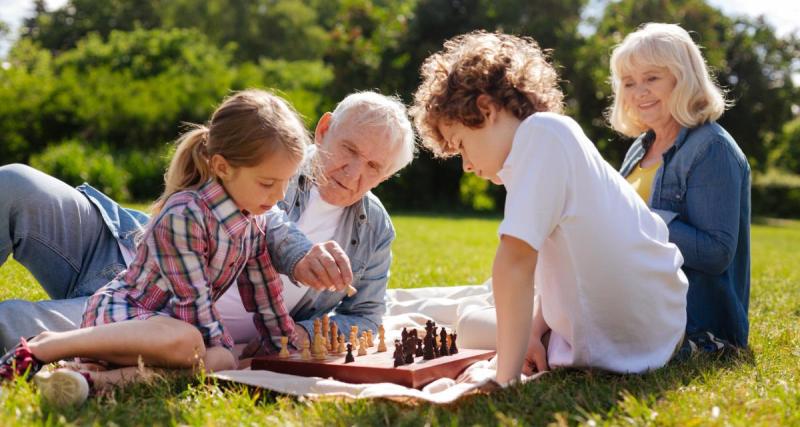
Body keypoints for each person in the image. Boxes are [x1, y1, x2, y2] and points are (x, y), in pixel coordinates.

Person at [0, 91, 415, 355]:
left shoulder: (373, 229)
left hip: (158, 316)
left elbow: (365, 316)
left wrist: (294, 337)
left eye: (374, 167)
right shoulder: (276, 158)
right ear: (324, 130)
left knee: (13, 327)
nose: (353, 172)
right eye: (348, 149)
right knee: (14, 182)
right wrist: (301, 254)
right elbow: (265, 220)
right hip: (122, 247)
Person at [410, 31, 688, 386]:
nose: (465, 164)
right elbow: (560, 269)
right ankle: (531, 332)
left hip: (622, 340)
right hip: (654, 332)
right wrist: (531, 331)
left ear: (486, 108)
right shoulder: (551, 140)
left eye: (461, 145)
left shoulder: (540, 136)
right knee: (486, 319)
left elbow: (514, 264)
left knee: (469, 325)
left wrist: (504, 378)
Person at [0, 89, 310, 404]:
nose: (280, 195)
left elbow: (265, 292)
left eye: (286, 182)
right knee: (201, 346)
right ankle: (45, 346)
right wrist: (223, 347)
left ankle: (91, 381)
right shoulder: (185, 214)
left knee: (219, 360)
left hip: (170, 331)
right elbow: (193, 303)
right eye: (269, 183)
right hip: (126, 315)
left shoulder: (254, 220)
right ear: (222, 167)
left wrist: (284, 344)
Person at [611, 23, 751, 349]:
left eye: (652, 78)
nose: (639, 91)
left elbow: (716, 253)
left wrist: (636, 217)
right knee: (489, 313)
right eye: (629, 82)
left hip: (694, 327)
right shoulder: (640, 147)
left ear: (682, 77)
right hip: (633, 304)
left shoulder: (712, 148)